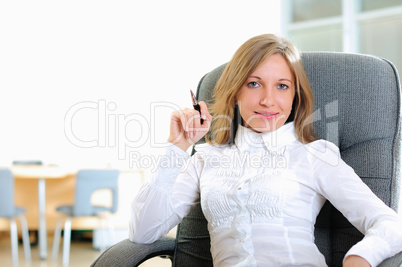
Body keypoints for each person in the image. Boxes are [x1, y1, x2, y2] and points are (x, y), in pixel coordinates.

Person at [129, 34, 402, 266]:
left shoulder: (315, 155)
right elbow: (143, 232)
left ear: (295, 96)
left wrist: (360, 257)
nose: (268, 100)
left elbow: (391, 225)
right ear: (235, 92)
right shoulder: (205, 160)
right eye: (254, 83)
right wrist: (177, 147)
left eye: (282, 86)